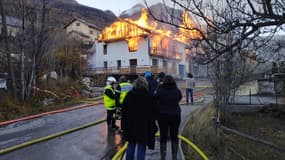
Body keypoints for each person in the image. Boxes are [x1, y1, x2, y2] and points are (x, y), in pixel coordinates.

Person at [122, 76, 157, 160]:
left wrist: (124, 124)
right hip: (144, 126)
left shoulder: (129, 95)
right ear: (145, 84)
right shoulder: (150, 96)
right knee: (141, 147)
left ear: (135, 84)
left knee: (131, 145)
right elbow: (155, 112)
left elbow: (124, 110)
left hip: (131, 125)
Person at [155, 75, 182, 160]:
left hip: (162, 116)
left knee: (163, 136)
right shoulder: (177, 90)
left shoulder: (160, 90)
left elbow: (156, 100)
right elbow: (179, 98)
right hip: (175, 115)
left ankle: (163, 157)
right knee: (174, 135)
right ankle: (174, 157)